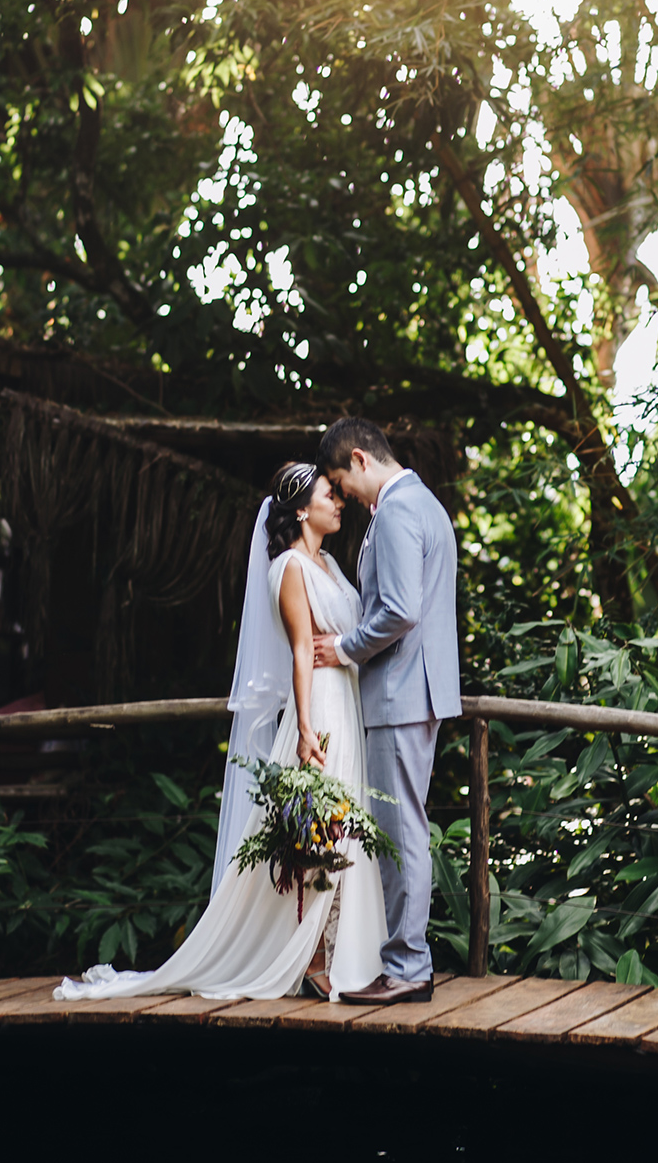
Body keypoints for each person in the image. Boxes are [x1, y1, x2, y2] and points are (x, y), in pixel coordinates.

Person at [53, 463, 387, 1004]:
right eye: (330, 495)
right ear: (302, 508)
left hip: (344, 703)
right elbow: (302, 650)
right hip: (320, 708)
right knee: (322, 828)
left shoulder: (327, 562)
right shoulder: (290, 568)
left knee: (344, 827)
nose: (339, 502)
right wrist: (305, 729)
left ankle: (340, 952)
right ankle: (317, 959)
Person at [313, 418, 460, 1005]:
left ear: (359, 458)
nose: (343, 494)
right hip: (416, 690)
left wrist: (344, 649)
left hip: (401, 693)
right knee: (405, 830)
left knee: (401, 833)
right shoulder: (423, 504)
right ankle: (406, 962)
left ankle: (407, 968)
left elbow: (398, 610)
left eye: (340, 481)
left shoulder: (399, 511)